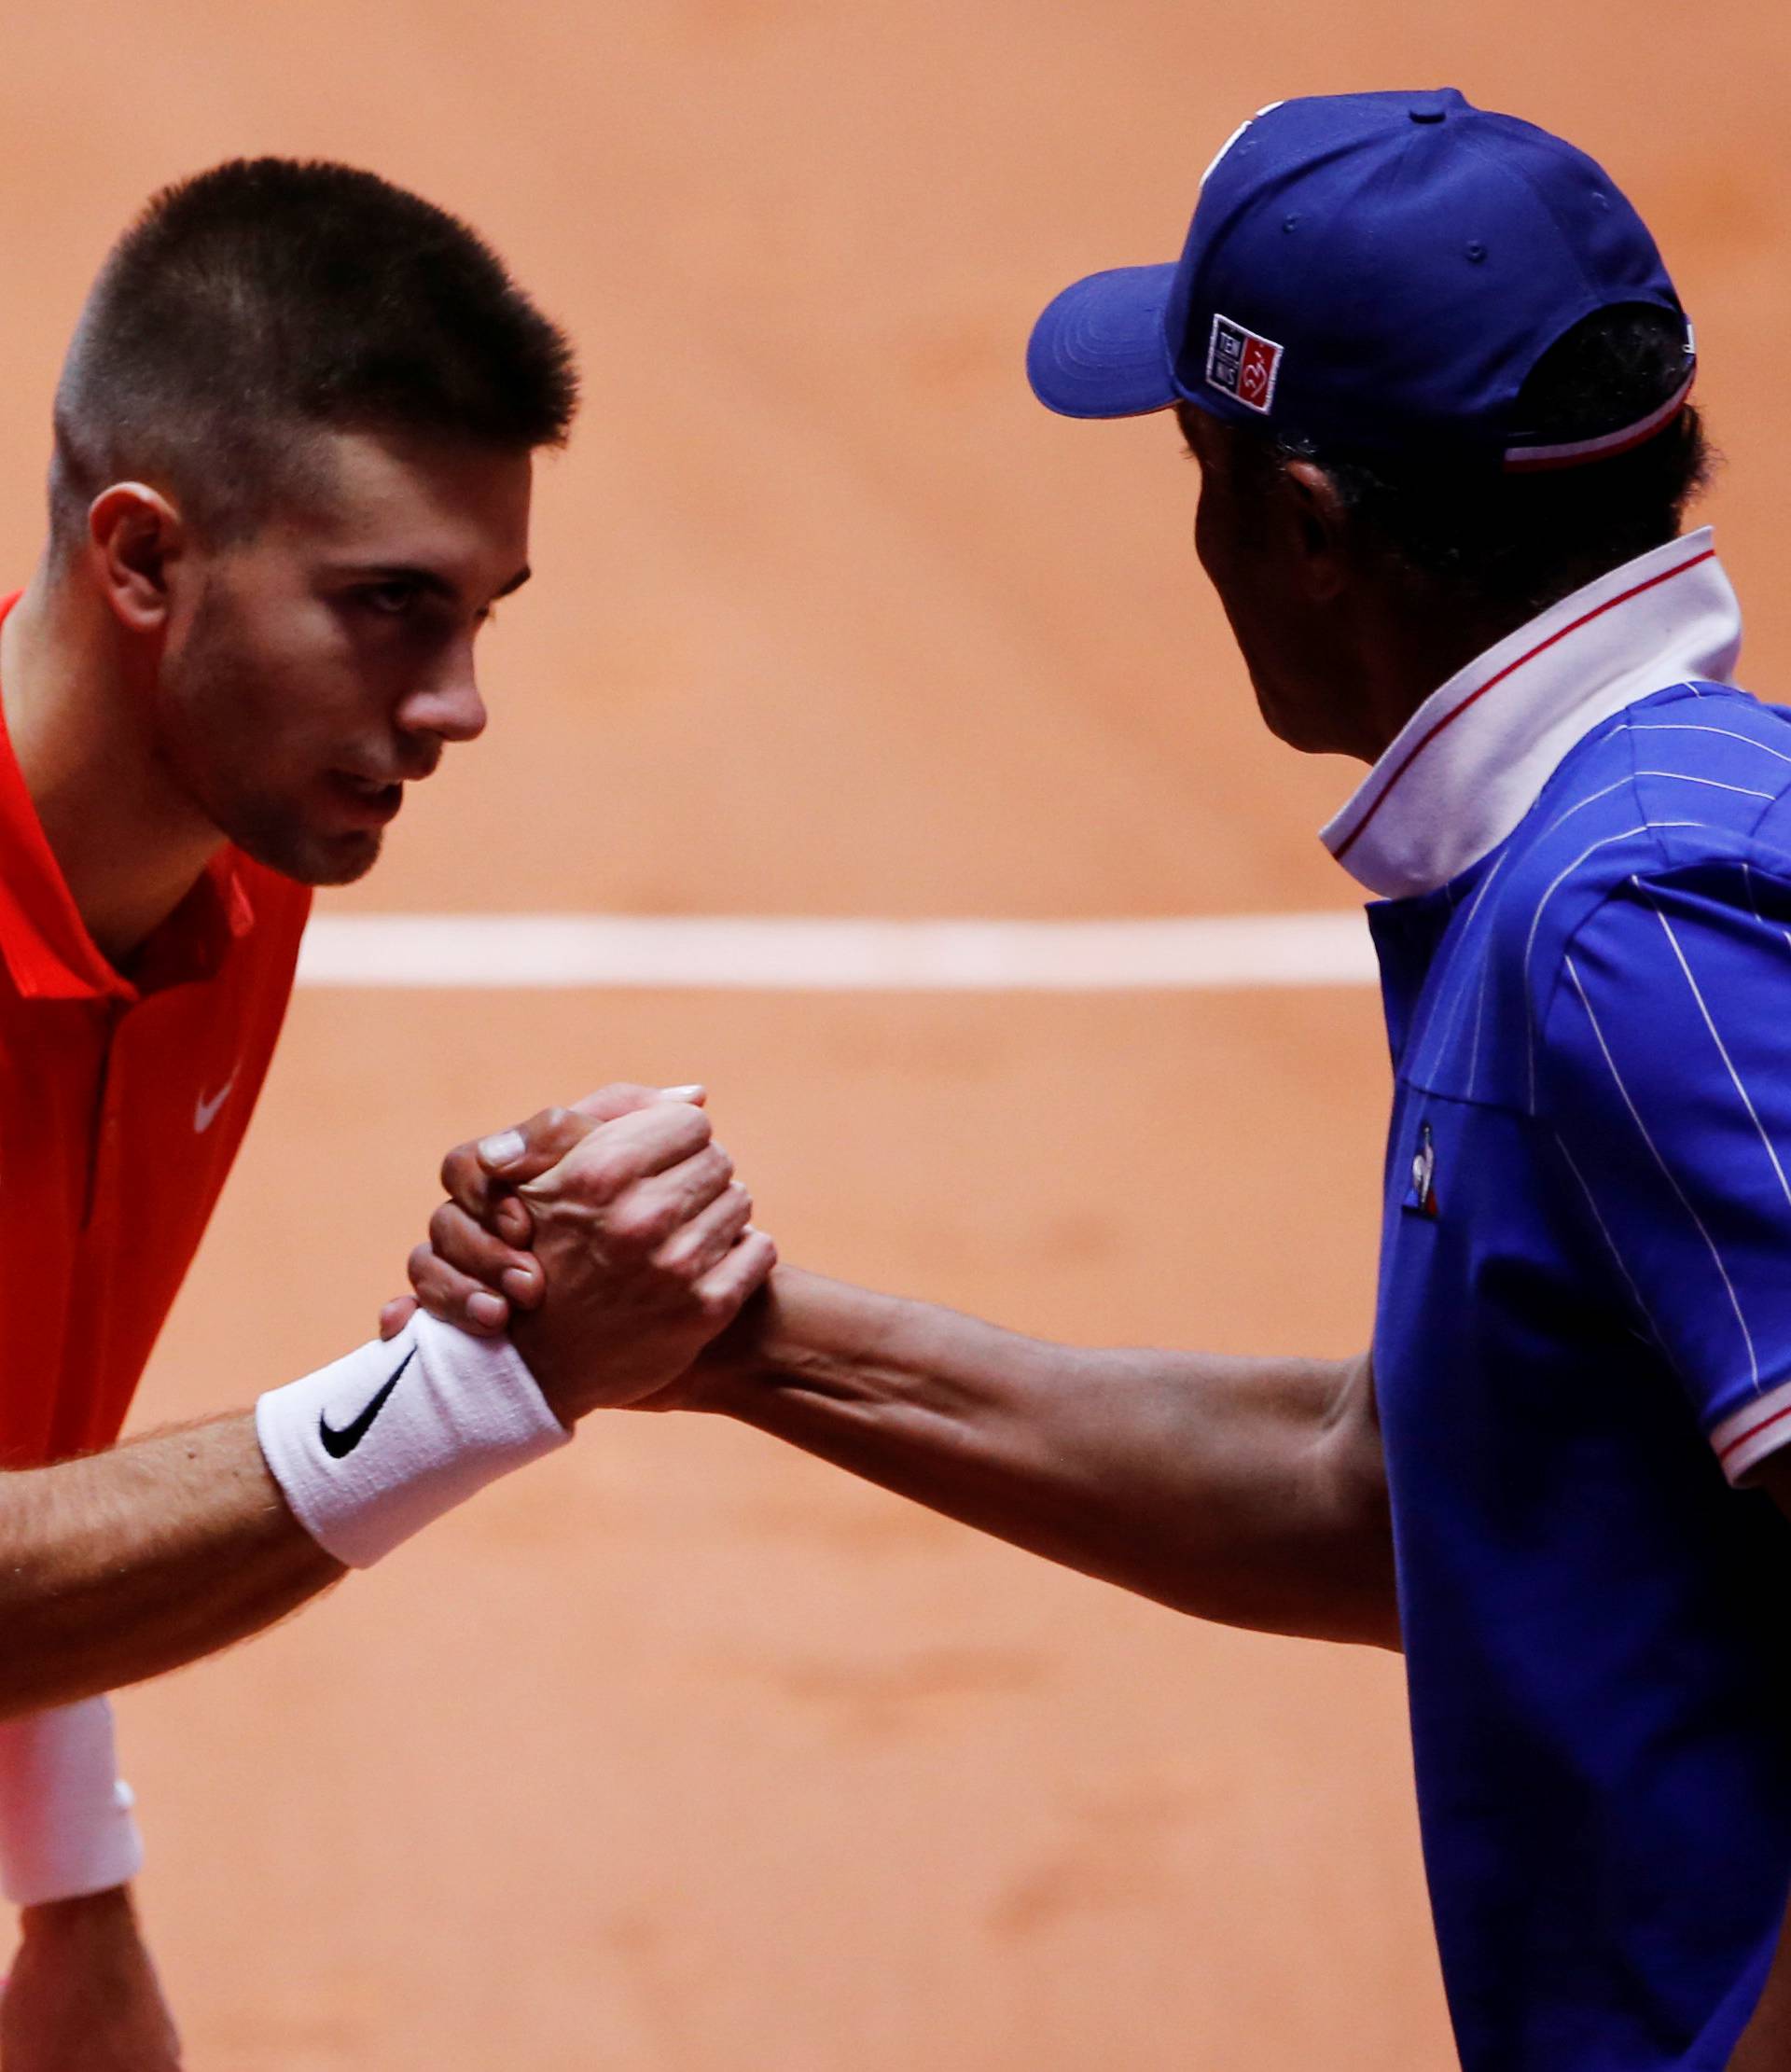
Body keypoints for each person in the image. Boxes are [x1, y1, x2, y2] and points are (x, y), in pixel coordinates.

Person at [409, 91, 1791, 2070]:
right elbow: (1396, 1494)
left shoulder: (1635, 908)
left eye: (1198, 468)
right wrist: (734, 1340)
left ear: (1306, 528)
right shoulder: (1605, 860)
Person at [0, 159, 774, 2067]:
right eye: (391, 609)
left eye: (484, 613)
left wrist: (77, 1897)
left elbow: (33, 1428)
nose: (459, 705)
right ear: (142, 557)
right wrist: (463, 1391)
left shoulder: (226, 877)